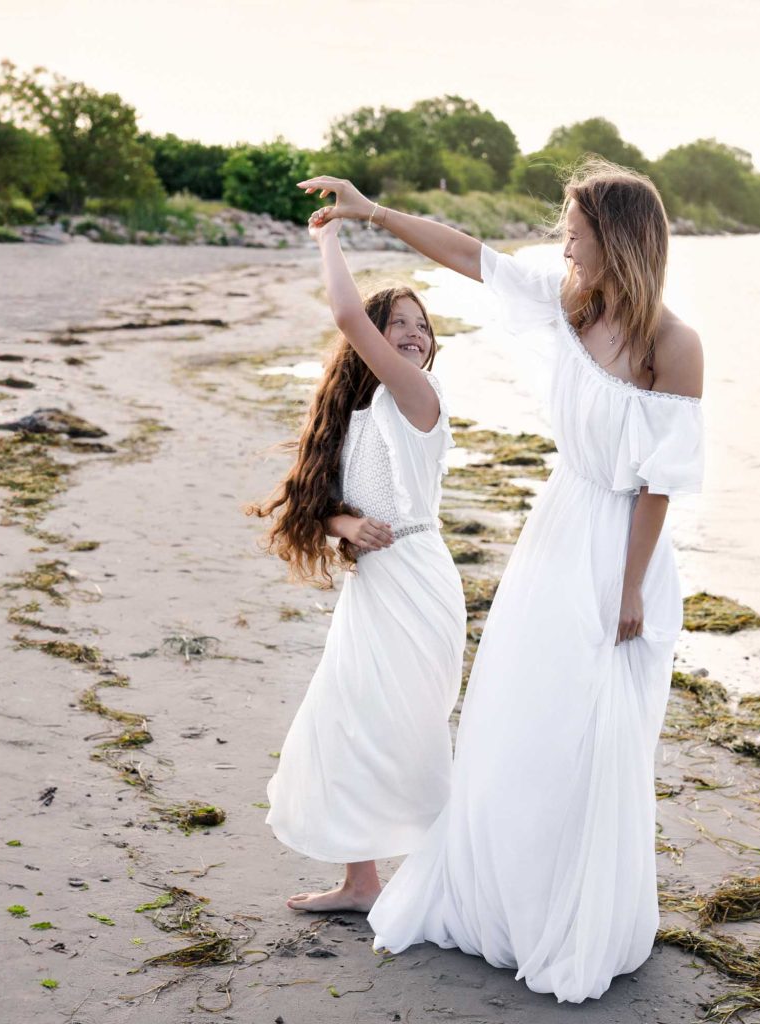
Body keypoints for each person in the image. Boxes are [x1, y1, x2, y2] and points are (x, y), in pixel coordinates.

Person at [300, 158, 704, 1000]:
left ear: (618, 239)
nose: (564, 243)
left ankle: (576, 913)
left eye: (575, 230)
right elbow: (469, 254)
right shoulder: (567, 306)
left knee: (597, 733)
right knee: (524, 720)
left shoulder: (674, 346)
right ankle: (511, 904)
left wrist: (630, 587)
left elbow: (660, 483)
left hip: (621, 548)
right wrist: (373, 212)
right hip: (555, 535)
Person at [248, 214, 466, 913]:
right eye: (398, 323)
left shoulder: (418, 396)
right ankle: (362, 883)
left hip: (419, 581)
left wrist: (328, 237)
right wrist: (346, 523)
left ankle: (446, 882)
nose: (413, 334)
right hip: (373, 587)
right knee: (346, 723)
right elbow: (316, 507)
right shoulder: (356, 414)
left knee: (407, 732)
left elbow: (346, 314)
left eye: (421, 326)